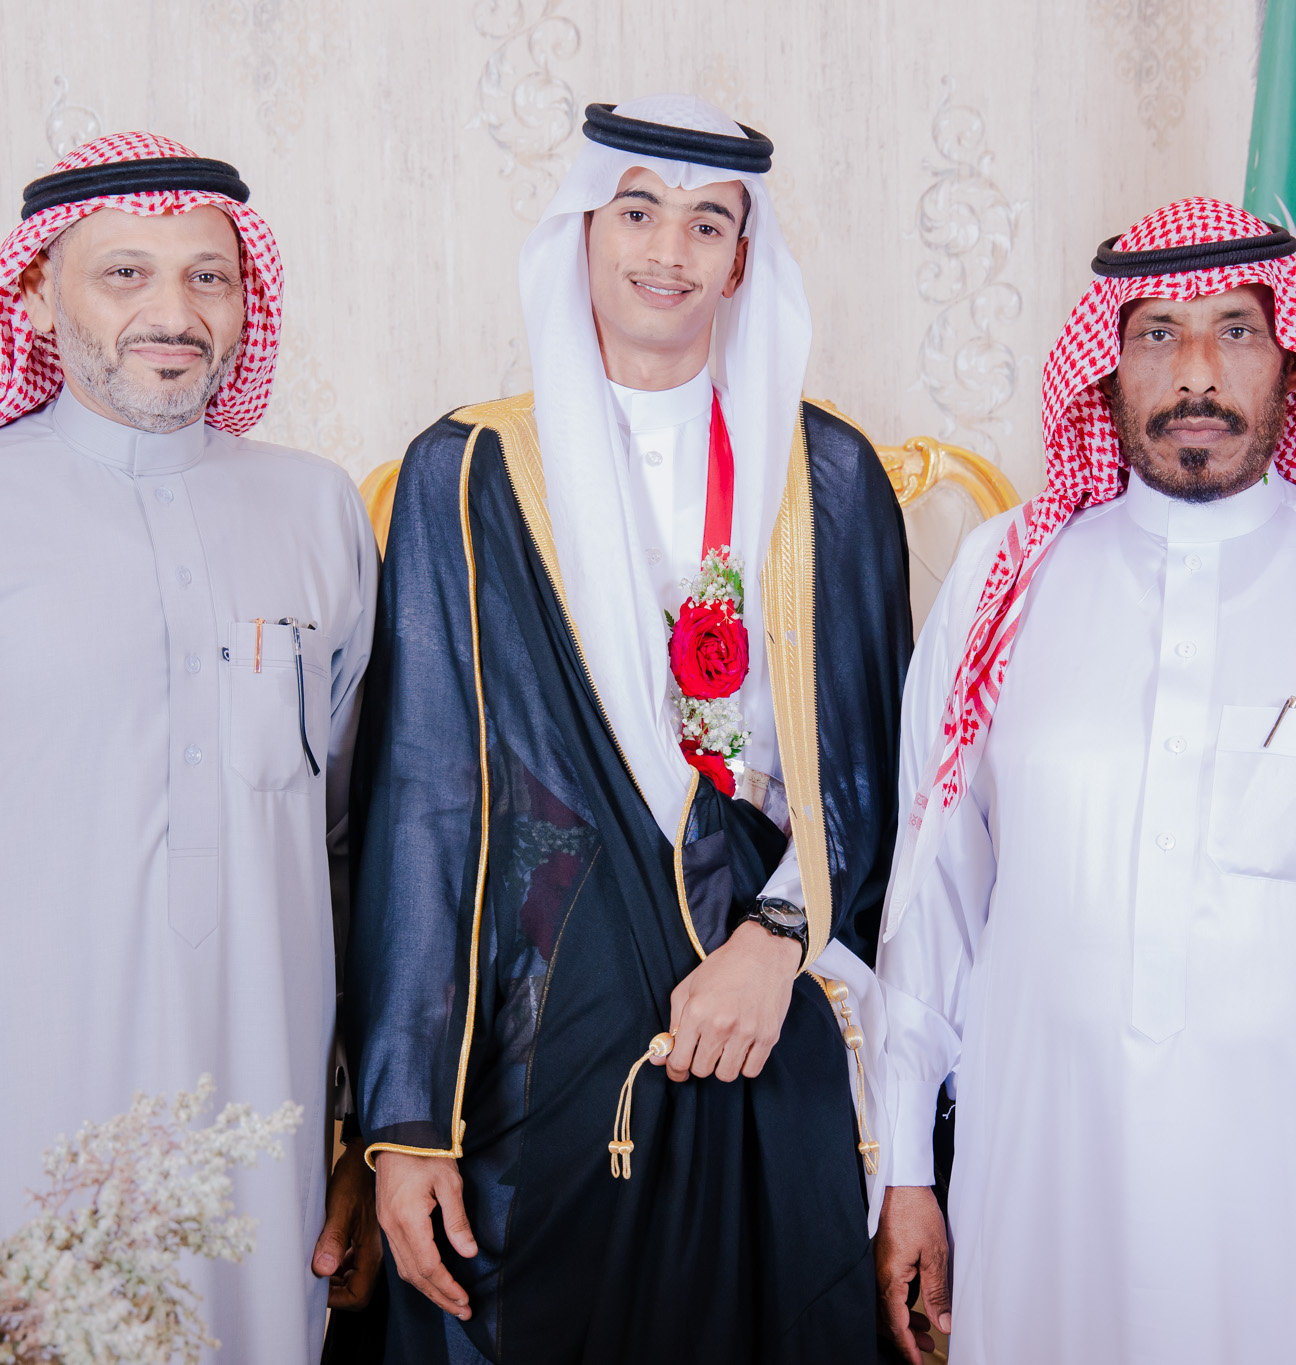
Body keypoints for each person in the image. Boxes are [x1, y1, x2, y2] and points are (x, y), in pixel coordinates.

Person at [871, 197, 1296, 1364]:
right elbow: (933, 898)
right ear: (1106, 365)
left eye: (1235, 330)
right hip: (1052, 1191)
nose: (1196, 371)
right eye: (1158, 333)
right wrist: (901, 1169)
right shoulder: (1003, 581)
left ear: (1292, 357)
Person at [0, 132, 381, 1362]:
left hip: (256, 1124)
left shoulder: (318, 509)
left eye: (208, 276)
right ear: (33, 297)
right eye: (124, 274)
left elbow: (353, 851)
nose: (174, 312)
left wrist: (370, 1136)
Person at [347, 95, 910, 1363]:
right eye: (638, 211)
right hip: (536, 1002)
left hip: (763, 985)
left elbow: (871, 769)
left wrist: (775, 941)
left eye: (706, 223)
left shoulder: (826, 475)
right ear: (584, 233)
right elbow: (424, 794)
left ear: (740, 261)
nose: (668, 250)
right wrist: (404, 1119)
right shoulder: (469, 470)